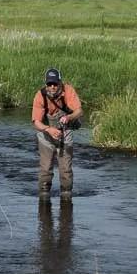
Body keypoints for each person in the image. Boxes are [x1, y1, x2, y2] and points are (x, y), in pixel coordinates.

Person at [31, 67, 83, 201]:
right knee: (46, 169)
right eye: (49, 84)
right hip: (45, 133)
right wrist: (49, 129)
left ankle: (66, 198)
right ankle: (43, 199)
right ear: (46, 84)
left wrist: (69, 118)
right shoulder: (40, 95)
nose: (52, 87)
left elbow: (79, 111)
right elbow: (36, 122)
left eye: (55, 84)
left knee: (65, 170)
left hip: (65, 132)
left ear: (60, 82)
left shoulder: (68, 90)